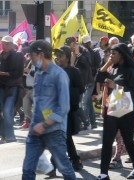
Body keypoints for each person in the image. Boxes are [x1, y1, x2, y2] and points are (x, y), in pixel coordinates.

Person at [22, 40, 76, 179]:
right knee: (28, 169)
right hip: (35, 130)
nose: (30, 58)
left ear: (40, 55)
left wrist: (45, 124)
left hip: (54, 131)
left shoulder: (59, 74)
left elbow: (64, 107)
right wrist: (35, 124)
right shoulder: (38, 73)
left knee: (65, 168)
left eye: (31, 55)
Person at [97, 43, 134, 180]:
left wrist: (117, 86)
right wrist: (107, 62)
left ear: (122, 55)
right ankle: (103, 174)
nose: (111, 56)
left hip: (127, 111)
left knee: (128, 140)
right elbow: (99, 78)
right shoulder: (113, 68)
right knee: (107, 141)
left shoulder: (131, 70)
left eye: (114, 54)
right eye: (110, 54)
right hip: (113, 108)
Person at [53, 45, 85, 173]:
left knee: (64, 136)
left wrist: (66, 92)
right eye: (56, 56)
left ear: (67, 57)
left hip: (67, 109)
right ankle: (65, 161)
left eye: (60, 56)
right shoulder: (53, 70)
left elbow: (81, 88)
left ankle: (70, 161)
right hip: (54, 109)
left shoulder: (73, 71)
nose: (57, 58)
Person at [0, 35, 24, 143]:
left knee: (7, 110)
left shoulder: (18, 55)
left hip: (13, 86)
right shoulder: (0, 55)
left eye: (7, 43)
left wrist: (5, 74)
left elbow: (19, 73)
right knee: (2, 111)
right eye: (4, 43)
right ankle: (3, 135)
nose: (5, 45)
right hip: (1, 86)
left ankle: (10, 136)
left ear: (12, 44)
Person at [65, 36, 93, 130]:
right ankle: (84, 122)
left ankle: (87, 122)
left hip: (82, 81)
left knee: (79, 103)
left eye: (71, 45)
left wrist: (78, 54)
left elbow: (88, 65)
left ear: (75, 44)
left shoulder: (84, 51)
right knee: (78, 103)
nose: (70, 47)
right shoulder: (68, 52)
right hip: (70, 81)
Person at [81, 35, 101, 129]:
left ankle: (86, 122)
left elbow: (97, 66)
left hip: (91, 80)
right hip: (84, 80)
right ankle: (93, 123)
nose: (87, 44)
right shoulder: (82, 53)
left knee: (84, 102)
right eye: (85, 43)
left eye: (88, 42)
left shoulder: (95, 53)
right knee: (88, 102)